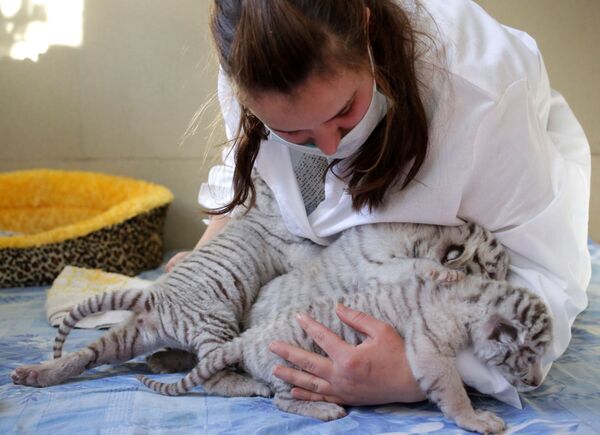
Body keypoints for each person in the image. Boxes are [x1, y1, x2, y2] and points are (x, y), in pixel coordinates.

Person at [168, 0, 591, 408]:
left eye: (345, 111)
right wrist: (201, 274)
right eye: (294, 133)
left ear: (366, 32)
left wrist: (414, 375)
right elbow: (251, 181)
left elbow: (545, 279)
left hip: (498, 199)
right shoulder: (251, 64)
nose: (330, 146)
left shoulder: (480, 93)